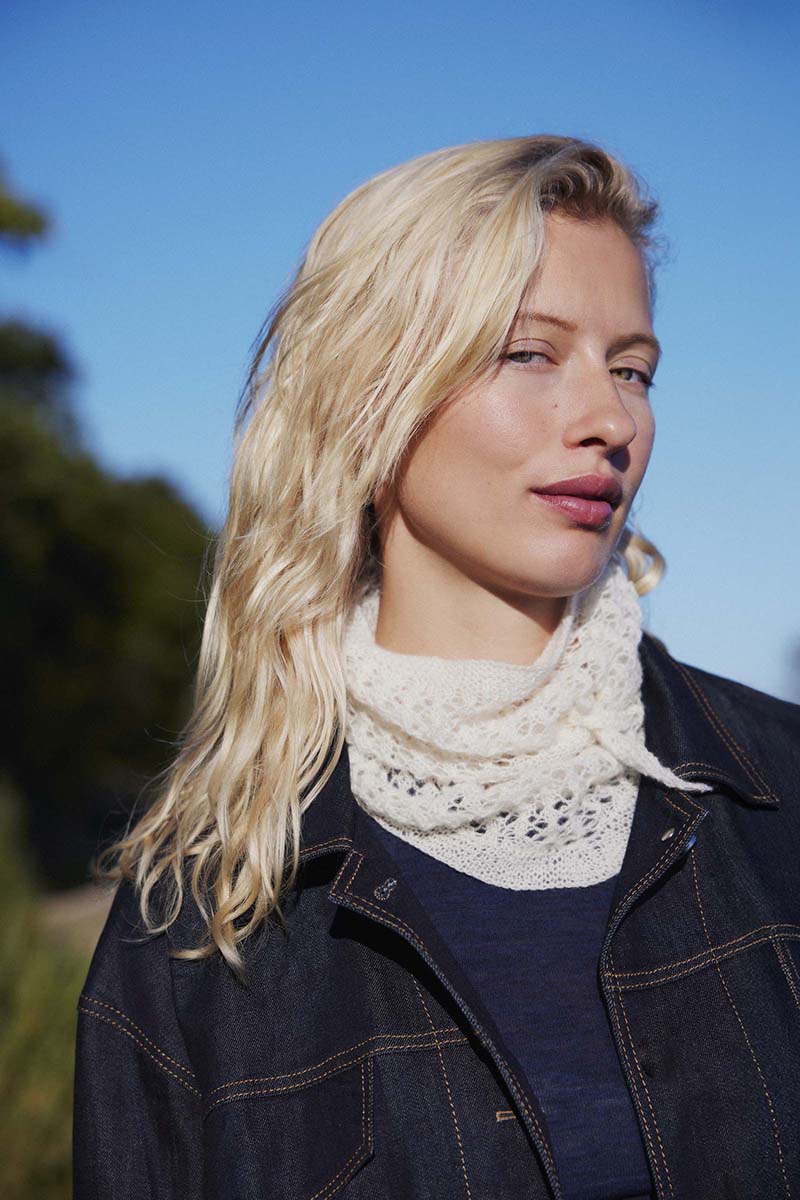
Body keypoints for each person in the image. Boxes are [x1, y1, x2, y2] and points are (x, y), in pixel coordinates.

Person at [73, 135, 800, 1200]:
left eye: (632, 370)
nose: (610, 421)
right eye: (529, 353)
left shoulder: (779, 790)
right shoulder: (198, 910)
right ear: (369, 392)